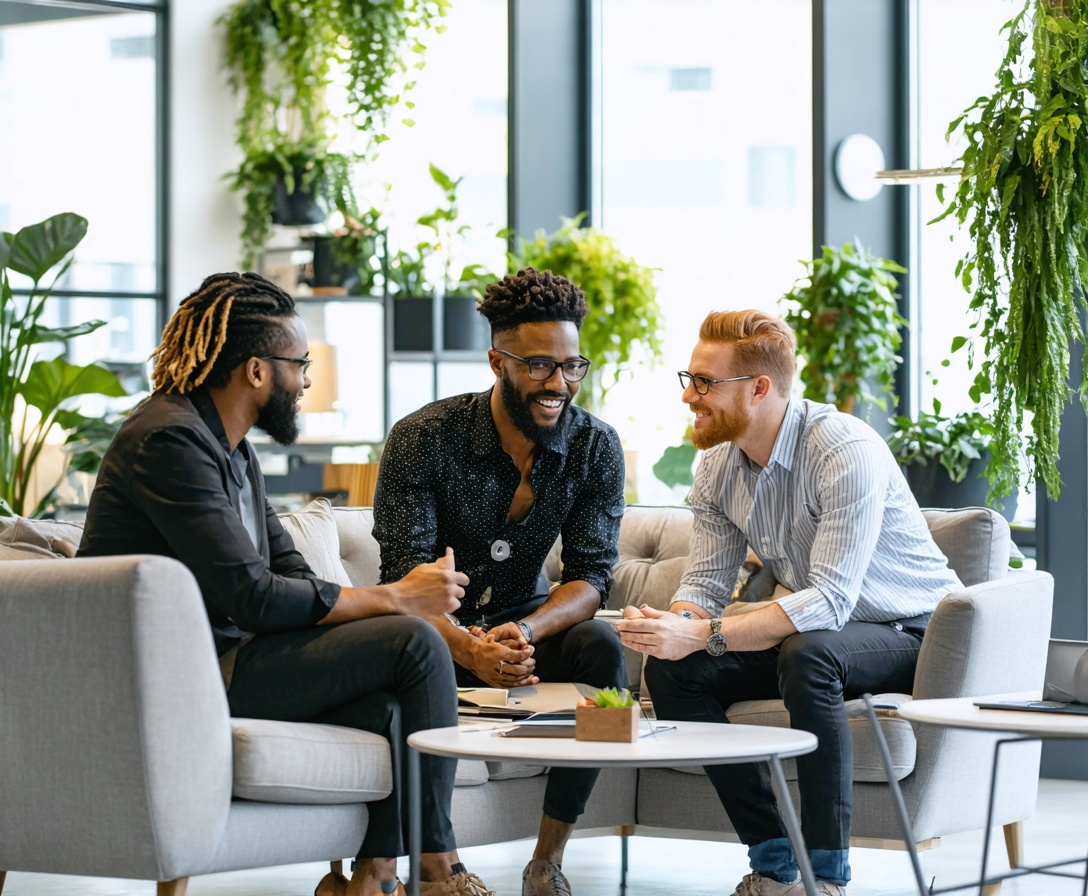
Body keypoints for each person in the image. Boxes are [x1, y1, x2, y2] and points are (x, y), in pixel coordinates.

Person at [78, 271, 495, 896]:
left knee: (387, 707)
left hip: (224, 661)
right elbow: (251, 595)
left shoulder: (233, 450)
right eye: (300, 365)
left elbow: (291, 572)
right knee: (415, 641)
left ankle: (375, 877)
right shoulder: (169, 440)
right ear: (256, 371)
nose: (305, 381)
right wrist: (395, 598)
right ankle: (438, 867)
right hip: (174, 677)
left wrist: (388, 604)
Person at [616, 310, 962, 896]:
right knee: (674, 670)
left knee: (809, 653)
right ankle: (775, 863)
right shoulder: (718, 465)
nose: (688, 396)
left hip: (910, 632)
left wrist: (704, 634)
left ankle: (825, 878)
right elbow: (703, 586)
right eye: (689, 379)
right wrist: (670, 629)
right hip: (822, 633)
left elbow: (828, 601)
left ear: (759, 388)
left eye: (704, 382)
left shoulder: (844, 449)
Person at [373, 267, 628, 896]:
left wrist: (525, 631)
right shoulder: (422, 437)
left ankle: (547, 860)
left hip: (523, 632)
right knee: (412, 649)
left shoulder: (596, 446)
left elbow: (591, 576)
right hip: (433, 637)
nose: (559, 384)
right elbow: (402, 579)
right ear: (498, 361)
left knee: (601, 647)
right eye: (540, 366)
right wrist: (468, 647)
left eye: (572, 366)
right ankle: (443, 868)